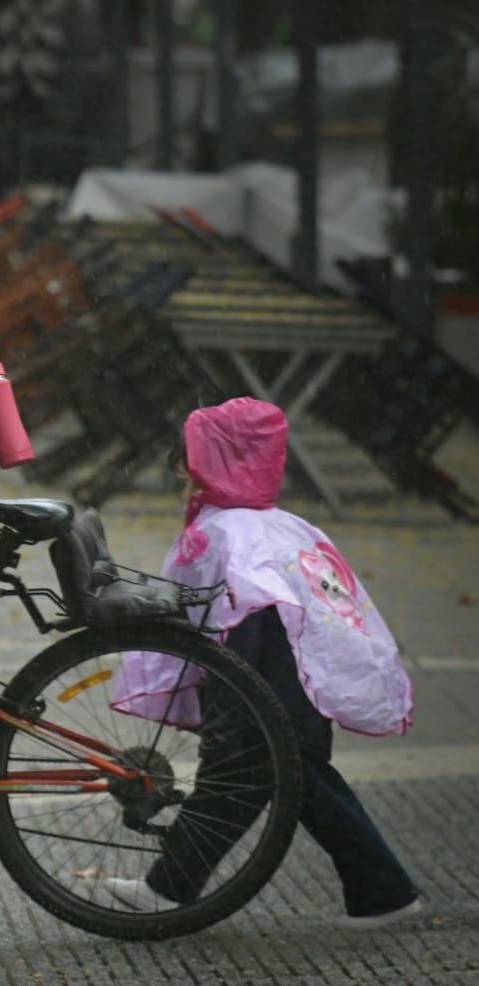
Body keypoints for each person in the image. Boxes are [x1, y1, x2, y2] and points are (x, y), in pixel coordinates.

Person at [108, 397, 422, 928]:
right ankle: (381, 890)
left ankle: (383, 890)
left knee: (253, 771)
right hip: (301, 676)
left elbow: (231, 621)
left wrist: (226, 702)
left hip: (258, 677)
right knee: (285, 777)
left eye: (191, 481)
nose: (186, 493)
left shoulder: (227, 533)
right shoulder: (283, 526)